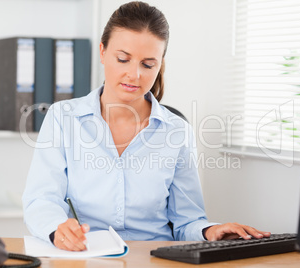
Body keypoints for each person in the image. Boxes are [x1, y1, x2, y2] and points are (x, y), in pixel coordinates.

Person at [22, 1, 270, 252]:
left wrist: (210, 231)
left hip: (155, 258)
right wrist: (57, 228)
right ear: (102, 52)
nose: (134, 75)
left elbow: (186, 221)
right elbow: (42, 199)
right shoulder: (63, 118)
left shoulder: (177, 131)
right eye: (123, 59)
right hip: (86, 254)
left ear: (160, 63)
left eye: (148, 64)